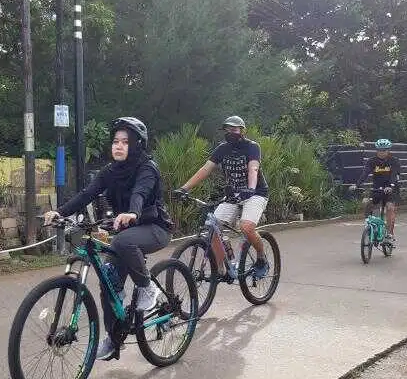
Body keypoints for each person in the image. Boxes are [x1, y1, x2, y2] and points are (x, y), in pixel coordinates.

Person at [43, 116, 173, 361]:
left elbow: (140, 193)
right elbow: (86, 194)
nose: (119, 146)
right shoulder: (110, 172)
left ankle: (147, 289)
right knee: (108, 283)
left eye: (126, 141)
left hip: (155, 227)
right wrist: (59, 212)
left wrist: (133, 212)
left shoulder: (147, 168)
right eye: (116, 141)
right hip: (127, 230)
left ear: (136, 145)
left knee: (121, 242)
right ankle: (114, 339)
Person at [173, 115, 270, 278]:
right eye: (228, 130)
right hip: (233, 195)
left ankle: (261, 258)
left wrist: (251, 188)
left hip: (256, 193)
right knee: (212, 226)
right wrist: (184, 188)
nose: (231, 132)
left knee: (246, 227)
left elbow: (253, 168)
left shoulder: (252, 147)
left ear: (242, 131)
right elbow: (205, 169)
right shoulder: (222, 149)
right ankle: (220, 269)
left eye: (234, 129)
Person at [348, 138, 401, 244]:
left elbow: (394, 175)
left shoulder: (394, 161)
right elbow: (365, 173)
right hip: (377, 187)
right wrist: (356, 185)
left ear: (388, 150)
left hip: (391, 188)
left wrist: (391, 186)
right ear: (377, 150)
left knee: (390, 207)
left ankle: (389, 234)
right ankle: (371, 226)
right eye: (380, 150)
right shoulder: (372, 161)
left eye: (384, 150)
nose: (382, 152)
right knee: (369, 204)